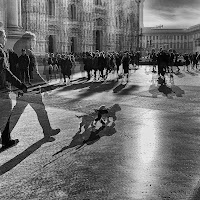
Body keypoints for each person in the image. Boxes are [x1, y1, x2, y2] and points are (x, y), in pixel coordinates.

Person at [0, 29, 27, 149]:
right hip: (1, 89)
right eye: (4, 36)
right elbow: (6, 72)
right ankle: (6, 140)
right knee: (6, 114)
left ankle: (6, 139)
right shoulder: (1, 52)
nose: (5, 39)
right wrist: (20, 84)